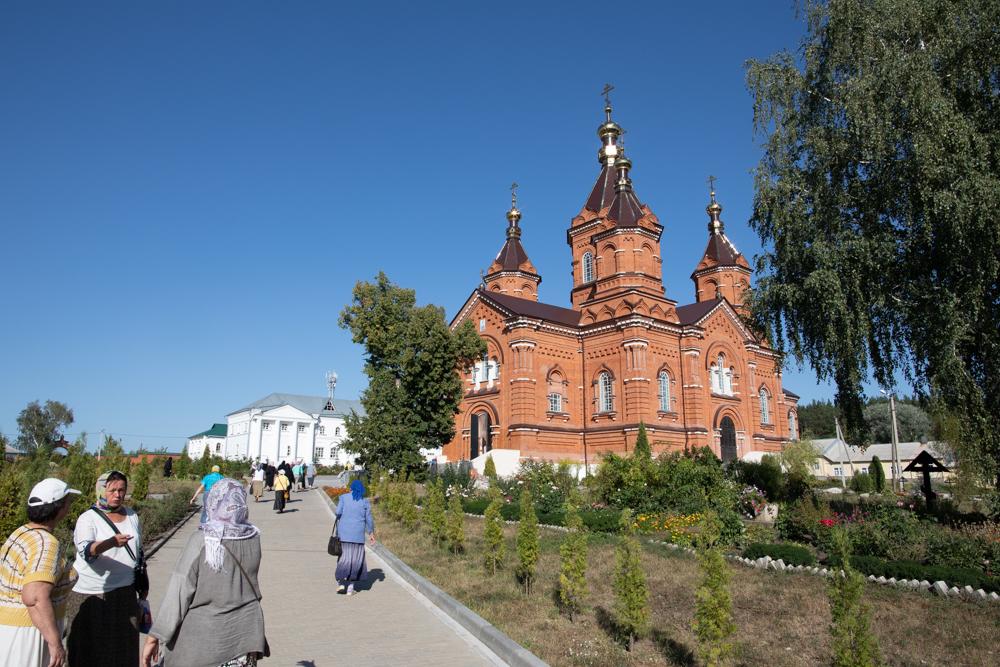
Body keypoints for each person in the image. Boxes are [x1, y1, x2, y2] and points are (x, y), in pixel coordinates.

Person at [141, 478, 268, 667]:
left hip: (204, 642)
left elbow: (179, 589)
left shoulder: (204, 539)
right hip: (245, 637)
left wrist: (156, 636)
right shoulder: (252, 537)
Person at [68, 470, 146, 667]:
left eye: (122, 490)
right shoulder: (88, 518)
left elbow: (139, 551)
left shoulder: (132, 515)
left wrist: (144, 580)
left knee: (123, 650)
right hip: (93, 594)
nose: (117, 495)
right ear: (101, 490)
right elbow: (87, 551)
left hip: (125, 592)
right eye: (112, 490)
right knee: (91, 651)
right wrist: (110, 543)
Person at [0, 478, 80, 667]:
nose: (70, 505)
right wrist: (55, 642)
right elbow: (35, 597)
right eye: (68, 501)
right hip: (30, 633)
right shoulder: (46, 544)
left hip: (12, 629)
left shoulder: (21, 533)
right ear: (58, 506)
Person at [334, 479, 374, 596]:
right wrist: (371, 533)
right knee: (356, 560)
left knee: (344, 558)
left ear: (351, 488)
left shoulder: (343, 498)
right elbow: (369, 519)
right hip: (357, 535)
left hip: (344, 534)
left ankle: (341, 583)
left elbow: (337, 512)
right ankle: (350, 588)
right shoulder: (364, 502)